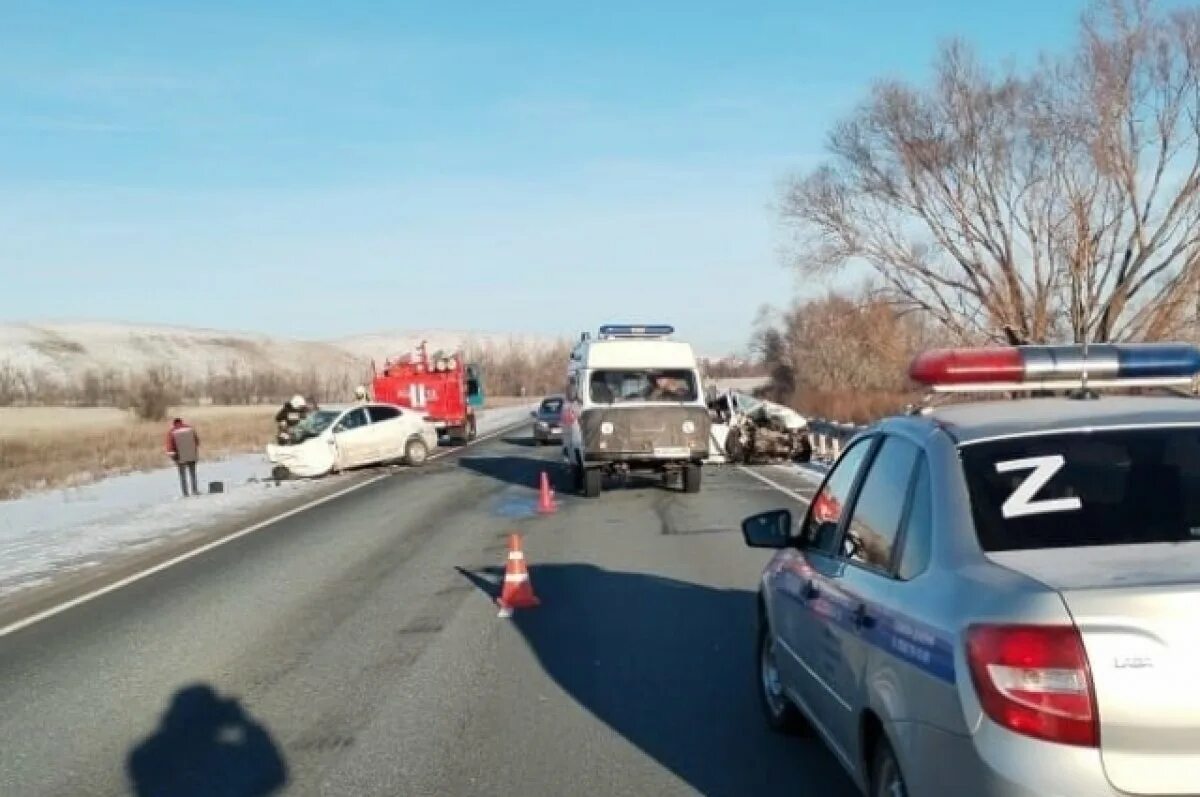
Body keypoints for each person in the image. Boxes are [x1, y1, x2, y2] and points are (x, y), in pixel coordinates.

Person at [166, 418, 200, 497]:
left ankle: (185, 493)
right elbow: (197, 442)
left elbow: (170, 445)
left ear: (174, 423)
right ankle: (194, 490)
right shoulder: (190, 429)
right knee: (193, 474)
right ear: (181, 422)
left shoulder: (172, 432)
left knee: (183, 476)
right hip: (192, 456)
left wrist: (173, 456)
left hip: (180, 457)